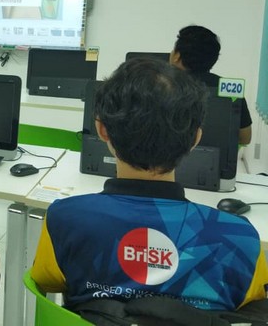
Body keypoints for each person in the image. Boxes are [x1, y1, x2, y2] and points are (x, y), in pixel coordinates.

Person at [31, 59, 268, 315]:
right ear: (195, 138)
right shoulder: (242, 239)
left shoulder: (63, 219)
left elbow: (47, 281)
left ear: (102, 130)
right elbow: (252, 307)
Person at [170, 25, 252, 145]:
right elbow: (245, 138)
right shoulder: (231, 89)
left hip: (171, 156)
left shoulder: (163, 86)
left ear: (177, 56)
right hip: (218, 156)